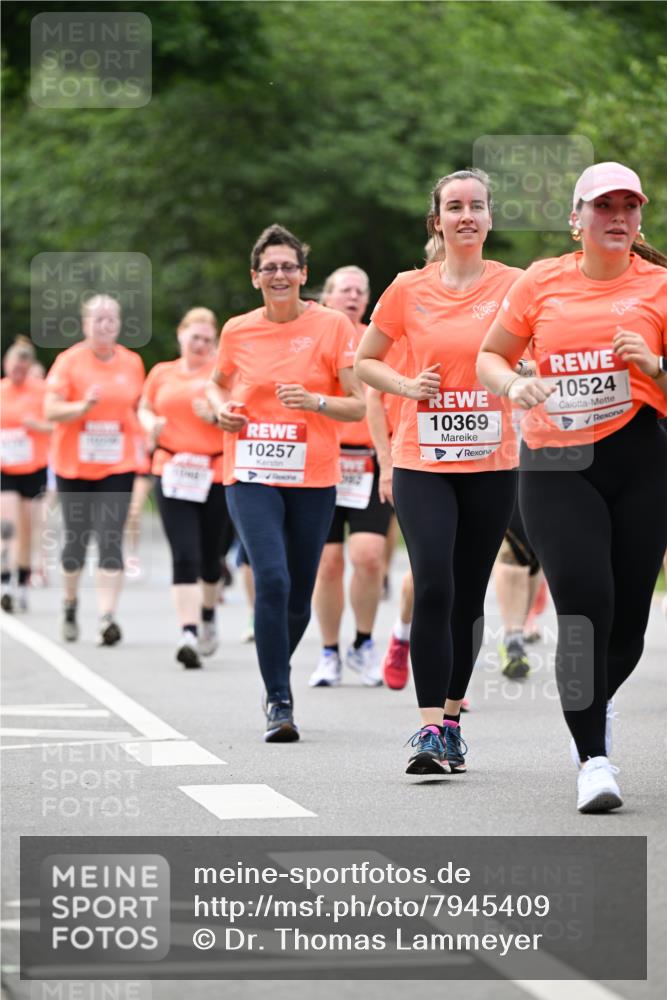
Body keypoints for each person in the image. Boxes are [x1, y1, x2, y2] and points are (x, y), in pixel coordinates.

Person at [477, 161, 667, 813]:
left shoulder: (660, 286)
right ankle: (592, 758)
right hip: (556, 464)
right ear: (575, 219)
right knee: (584, 605)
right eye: (602, 206)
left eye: (627, 206)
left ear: (638, 218)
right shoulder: (540, 282)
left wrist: (656, 365)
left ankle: (587, 708)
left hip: (641, 457)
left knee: (629, 624)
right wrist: (512, 385)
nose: (616, 216)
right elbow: (489, 355)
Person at [356, 168, 522, 775]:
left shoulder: (516, 286)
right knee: (433, 584)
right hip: (422, 458)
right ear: (438, 221)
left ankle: (452, 721)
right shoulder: (407, 288)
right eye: (455, 207)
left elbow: (549, 340)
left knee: (468, 594)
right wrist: (407, 385)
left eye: (477, 206)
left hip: (492, 461)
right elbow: (365, 362)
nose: (467, 216)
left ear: (489, 218)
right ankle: (428, 730)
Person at [207, 223, 366, 741]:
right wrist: (219, 411)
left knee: (298, 592)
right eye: (269, 267)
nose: (280, 274)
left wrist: (315, 402)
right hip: (249, 472)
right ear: (256, 277)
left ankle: (274, 667)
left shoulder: (333, 327)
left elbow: (359, 403)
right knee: (271, 578)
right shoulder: (237, 330)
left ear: (304, 274)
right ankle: (280, 697)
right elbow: (213, 387)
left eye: (288, 266)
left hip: (314, 475)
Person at [44, 295, 144, 644]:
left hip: (117, 464)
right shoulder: (68, 362)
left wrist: (147, 430)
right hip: (74, 466)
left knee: (111, 538)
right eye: (98, 319)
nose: (105, 325)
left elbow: (137, 407)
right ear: (85, 324)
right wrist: (82, 406)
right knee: (75, 540)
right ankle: (69, 604)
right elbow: (51, 410)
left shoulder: (132, 363)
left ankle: (106, 617)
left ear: (119, 323)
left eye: (111, 319)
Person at [140, 307, 234, 669]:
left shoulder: (223, 374)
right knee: (184, 553)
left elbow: (238, 413)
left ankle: (208, 614)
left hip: (214, 471)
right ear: (181, 335)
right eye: (195, 337)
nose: (201, 344)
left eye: (208, 340)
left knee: (211, 557)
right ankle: (189, 632)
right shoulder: (162, 372)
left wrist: (215, 416)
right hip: (172, 469)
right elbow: (145, 406)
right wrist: (151, 423)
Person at [309, 266, 390, 688]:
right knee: (327, 563)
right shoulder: (314, 335)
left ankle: (362, 641)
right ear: (327, 296)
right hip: (322, 458)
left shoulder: (378, 339)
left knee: (369, 556)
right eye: (345, 290)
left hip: (368, 460)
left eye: (361, 290)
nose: (354, 296)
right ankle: (328, 652)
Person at [1, 336, 52, 612]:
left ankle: (22, 581)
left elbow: (58, 427)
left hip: (33, 468)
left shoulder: (42, 391)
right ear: (5, 364)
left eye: (23, 370)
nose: (17, 374)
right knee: (6, 525)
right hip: (5, 469)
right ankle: (5, 580)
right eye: (12, 369)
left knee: (27, 529)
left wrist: (37, 426)